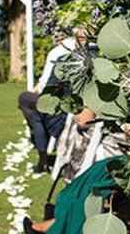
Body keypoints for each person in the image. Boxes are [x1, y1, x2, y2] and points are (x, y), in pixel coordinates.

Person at [18, 27, 87, 172]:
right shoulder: (89, 53)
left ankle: (42, 157)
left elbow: (47, 85)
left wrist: (36, 90)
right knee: (36, 105)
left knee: (28, 102)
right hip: (72, 102)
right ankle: (43, 138)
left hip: (61, 105)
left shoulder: (57, 54)